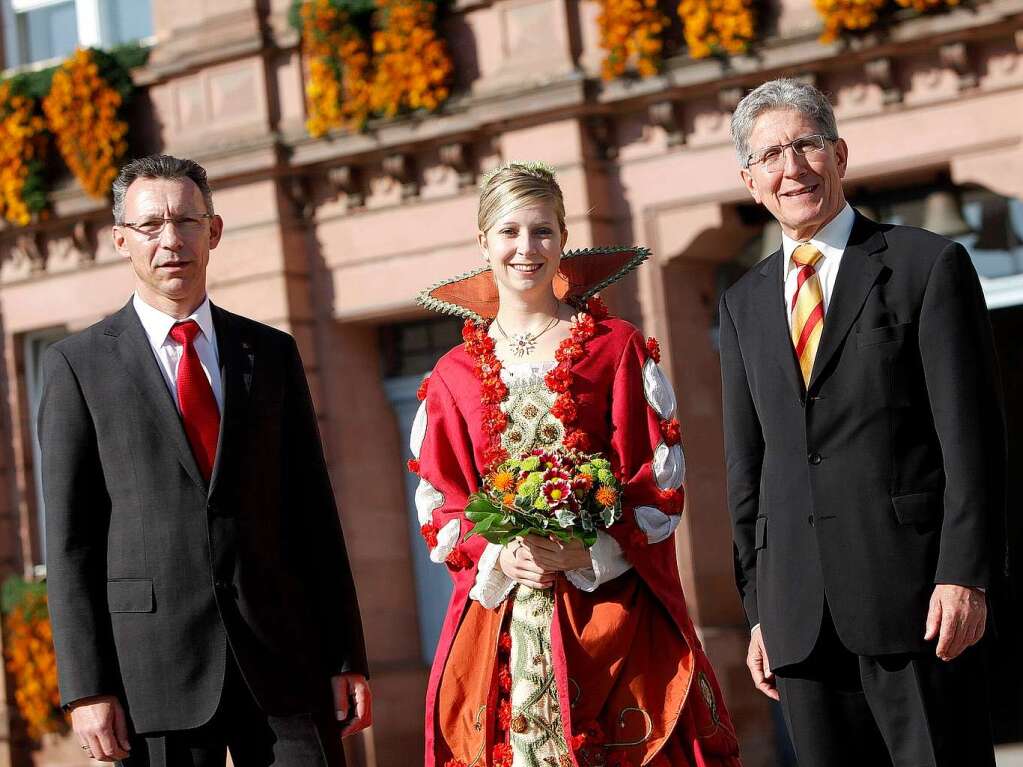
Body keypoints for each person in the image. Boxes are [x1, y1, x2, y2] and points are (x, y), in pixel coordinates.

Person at [39, 154, 371, 766]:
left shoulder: (271, 353)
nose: (171, 240)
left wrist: (344, 657)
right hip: (154, 672)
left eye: (187, 221)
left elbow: (313, 513)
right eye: (151, 226)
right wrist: (87, 688)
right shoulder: (75, 367)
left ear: (213, 232)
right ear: (121, 241)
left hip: (284, 663)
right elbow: (70, 540)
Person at [411, 161, 742, 767]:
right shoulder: (452, 377)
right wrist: (499, 553)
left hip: (610, 612)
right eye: (509, 232)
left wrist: (590, 549)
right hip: (503, 619)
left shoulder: (617, 349)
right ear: (483, 240)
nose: (526, 248)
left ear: (564, 239)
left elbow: (657, 481)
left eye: (542, 232)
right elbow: (443, 500)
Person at [719, 78, 1006, 766]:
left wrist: (963, 574)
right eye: (769, 156)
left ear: (839, 154)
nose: (791, 168)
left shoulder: (925, 265)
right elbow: (746, 467)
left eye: (805, 145)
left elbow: (972, 441)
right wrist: (758, 610)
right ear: (749, 181)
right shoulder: (742, 303)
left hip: (915, 605)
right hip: (798, 621)